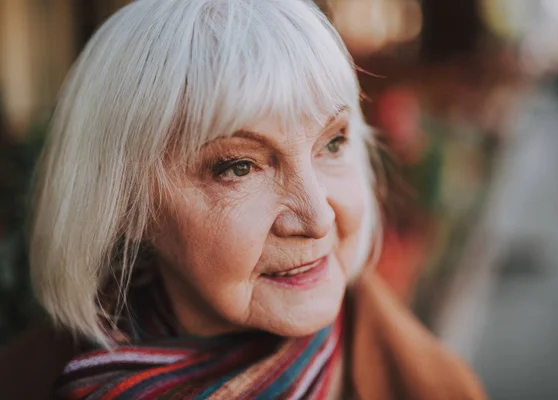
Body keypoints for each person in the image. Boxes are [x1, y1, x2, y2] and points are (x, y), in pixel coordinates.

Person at [0, 0, 487, 398]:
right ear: (127, 205)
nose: (317, 217)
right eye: (239, 167)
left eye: (333, 143)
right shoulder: (24, 381)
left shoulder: (436, 387)